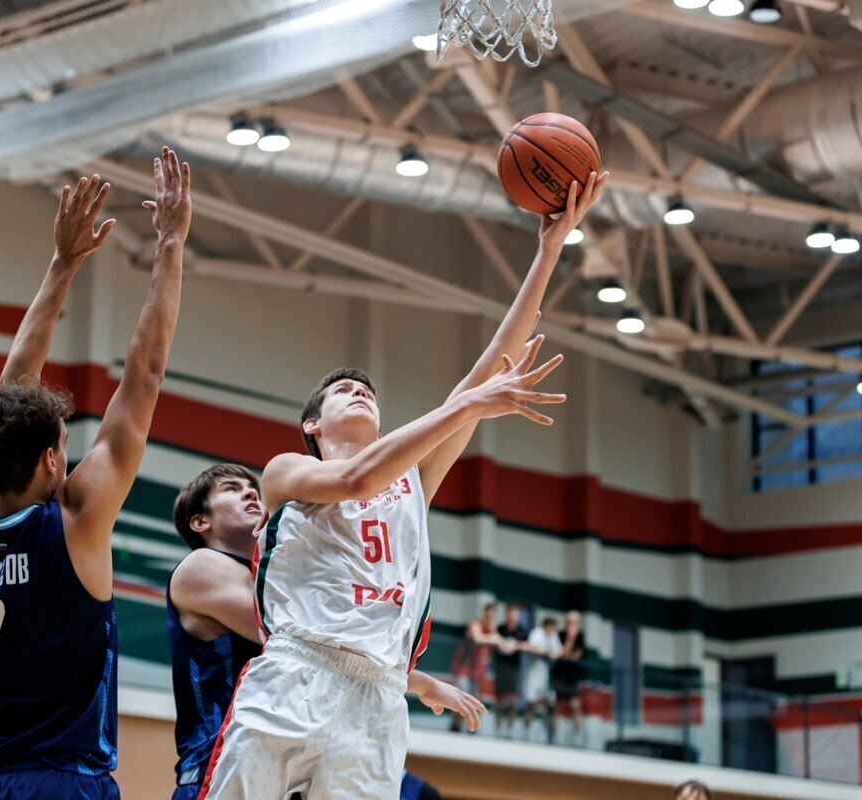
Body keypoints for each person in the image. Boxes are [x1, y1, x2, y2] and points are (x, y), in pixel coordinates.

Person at [199, 172, 608, 799]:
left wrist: (549, 250)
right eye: (341, 390)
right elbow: (360, 475)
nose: (359, 390)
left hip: (381, 698)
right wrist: (467, 406)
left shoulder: (413, 479)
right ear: (312, 424)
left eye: (367, 390)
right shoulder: (288, 471)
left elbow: (497, 357)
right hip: (296, 675)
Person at [0, 147, 191, 800]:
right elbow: (145, 375)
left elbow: (8, 395)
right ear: (52, 459)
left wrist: (62, 263)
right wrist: (169, 247)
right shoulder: (76, 522)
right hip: (61, 783)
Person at [167, 464, 483, 799]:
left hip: (287, 757)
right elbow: (304, 638)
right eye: (231, 488)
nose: (249, 492)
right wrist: (421, 683)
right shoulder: (201, 566)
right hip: (219, 762)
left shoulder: (275, 578)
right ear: (200, 521)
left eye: (252, 489)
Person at [448, 602, 502, 732]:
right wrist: (494, 638)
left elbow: (502, 643)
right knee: (461, 702)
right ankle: (455, 728)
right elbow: (478, 638)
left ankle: (471, 730)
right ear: (484, 614)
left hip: (478, 675)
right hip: (465, 671)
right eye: (488, 616)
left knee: (474, 704)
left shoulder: (492, 630)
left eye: (492, 617)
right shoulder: (475, 624)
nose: (490, 619)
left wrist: (496, 637)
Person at [523, 615, 561, 742]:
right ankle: (526, 733)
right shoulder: (537, 633)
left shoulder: (554, 636)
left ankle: (550, 736)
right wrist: (546, 652)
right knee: (531, 704)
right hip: (535, 675)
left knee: (551, 704)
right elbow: (532, 647)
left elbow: (559, 651)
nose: (552, 630)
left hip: (547, 678)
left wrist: (553, 654)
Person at [552, 609, 587, 745]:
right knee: (556, 706)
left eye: (573, 622)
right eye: (568, 622)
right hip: (559, 674)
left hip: (572, 676)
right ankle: (553, 736)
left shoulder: (581, 637)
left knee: (575, 705)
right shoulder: (560, 635)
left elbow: (576, 656)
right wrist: (569, 640)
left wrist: (566, 653)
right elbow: (561, 651)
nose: (570, 624)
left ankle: (578, 738)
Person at [494, 603, 529, 737]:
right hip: (501, 666)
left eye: (515, 613)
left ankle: (509, 729)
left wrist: (516, 645)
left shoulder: (522, 630)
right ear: (506, 613)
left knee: (513, 700)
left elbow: (528, 645)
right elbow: (495, 640)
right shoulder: (500, 628)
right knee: (499, 699)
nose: (512, 615)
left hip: (514, 668)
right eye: (510, 612)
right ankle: (498, 729)